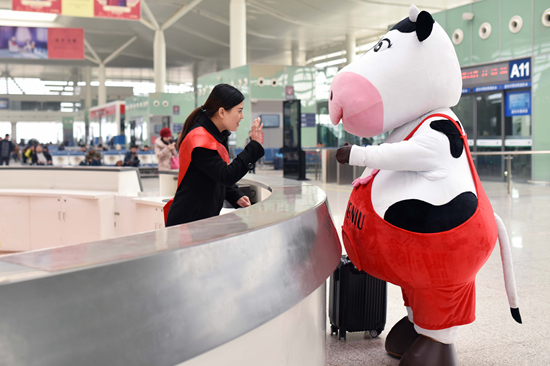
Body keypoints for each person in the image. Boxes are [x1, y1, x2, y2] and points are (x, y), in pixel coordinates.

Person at [165, 84, 264, 227]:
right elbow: (225, 175)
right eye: (239, 111)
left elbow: (214, 175)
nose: (242, 116)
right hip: (188, 222)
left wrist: (235, 195)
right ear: (222, 112)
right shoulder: (200, 140)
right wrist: (254, 146)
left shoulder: (215, 135)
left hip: (200, 220)